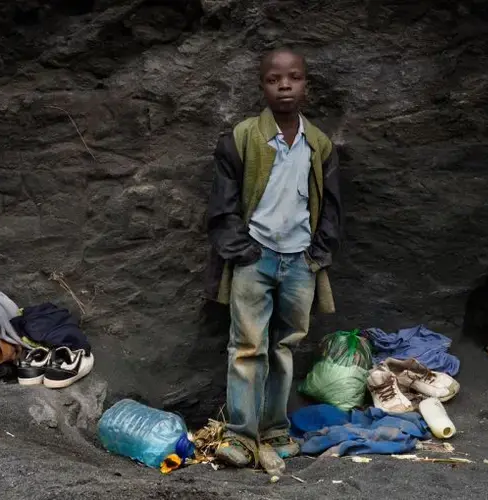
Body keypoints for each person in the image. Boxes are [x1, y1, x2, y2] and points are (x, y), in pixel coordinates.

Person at [205, 48, 343, 471]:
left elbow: (331, 206)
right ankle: (241, 439)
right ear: (261, 85)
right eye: (274, 79)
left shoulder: (318, 144)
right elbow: (222, 206)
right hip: (255, 257)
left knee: (284, 347)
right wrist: (243, 251)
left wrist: (317, 254)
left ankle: (275, 432)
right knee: (247, 348)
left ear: (306, 85)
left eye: (294, 77)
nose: (285, 85)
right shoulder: (242, 137)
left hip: (300, 261)